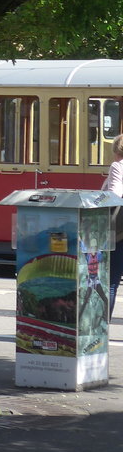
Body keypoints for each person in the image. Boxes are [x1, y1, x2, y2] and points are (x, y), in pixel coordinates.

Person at [100, 133, 123, 319]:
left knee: (111, 281)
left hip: (119, 234)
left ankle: (102, 329)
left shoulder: (118, 166)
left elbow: (115, 193)